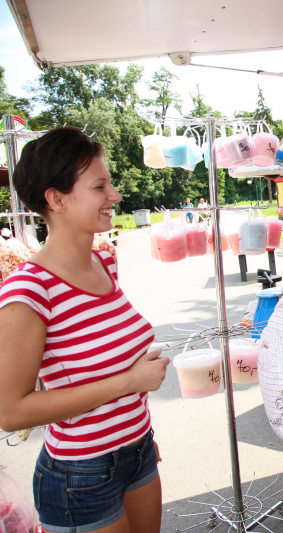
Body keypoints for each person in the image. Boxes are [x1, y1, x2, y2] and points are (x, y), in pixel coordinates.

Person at [0, 127, 168, 533]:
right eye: (100, 186)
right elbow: (11, 411)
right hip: (81, 474)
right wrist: (129, 382)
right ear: (56, 200)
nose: (115, 195)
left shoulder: (103, 261)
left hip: (137, 450)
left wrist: (137, 431)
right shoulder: (28, 290)